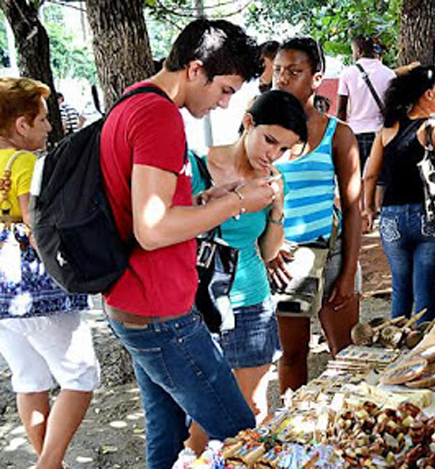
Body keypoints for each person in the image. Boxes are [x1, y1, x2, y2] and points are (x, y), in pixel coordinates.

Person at [99, 19, 273, 468]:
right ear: (196, 70)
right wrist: (237, 201)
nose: (224, 104)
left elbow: (144, 207)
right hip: (161, 312)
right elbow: (153, 229)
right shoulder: (158, 115)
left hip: (136, 303)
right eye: (225, 90)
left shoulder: (134, 101)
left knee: (166, 432)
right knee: (244, 438)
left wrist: (200, 202)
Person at [185, 90, 307, 447]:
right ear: (248, 122)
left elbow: (268, 251)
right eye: (269, 140)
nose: (273, 154)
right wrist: (230, 199)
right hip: (200, 304)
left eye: (283, 149)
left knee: (253, 410)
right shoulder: (198, 166)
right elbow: (179, 230)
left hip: (251, 299)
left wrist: (278, 206)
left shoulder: (272, 178)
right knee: (202, 421)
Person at [0, 77, 100, 469]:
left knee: (28, 379)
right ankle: (49, 463)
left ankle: (48, 459)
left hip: (1, 292)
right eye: (42, 120)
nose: (48, 128)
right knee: (81, 376)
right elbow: (35, 224)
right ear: (21, 124)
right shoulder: (24, 162)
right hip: (34, 288)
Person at [270, 37, 363, 393]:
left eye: (294, 71)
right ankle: (290, 435)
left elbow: (354, 207)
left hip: (333, 253)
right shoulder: (260, 129)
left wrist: (349, 271)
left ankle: (348, 433)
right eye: (278, 70)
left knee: (346, 357)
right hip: (285, 260)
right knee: (292, 356)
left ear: (316, 77)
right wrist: (268, 249)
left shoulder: (338, 134)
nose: (282, 79)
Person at [361, 65, 435, 322]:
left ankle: (396, 344)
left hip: (391, 216)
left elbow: (370, 174)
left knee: (400, 288)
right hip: (428, 216)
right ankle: (421, 352)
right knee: (425, 292)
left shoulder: (388, 128)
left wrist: (368, 208)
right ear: (428, 94)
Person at [337, 35, 396, 172]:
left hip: (354, 134)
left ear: (358, 51)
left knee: (354, 179)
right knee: (378, 180)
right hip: (379, 134)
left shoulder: (347, 73)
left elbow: (341, 111)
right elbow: (393, 108)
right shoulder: (389, 74)